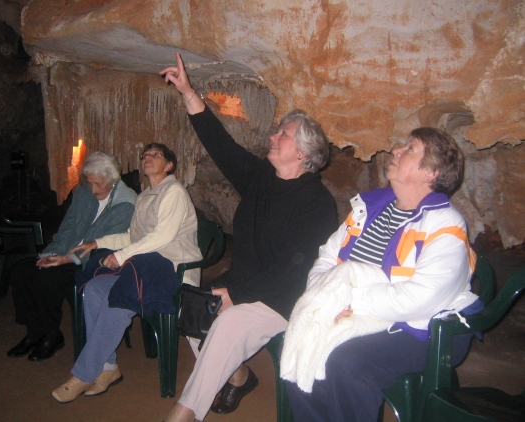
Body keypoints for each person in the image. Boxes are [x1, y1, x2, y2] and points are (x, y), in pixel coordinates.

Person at [159, 53, 338, 422]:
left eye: (283, 135)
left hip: (284, 298)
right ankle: (239, 374)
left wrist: (235, 296)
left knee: (227, 322)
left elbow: (296, 270)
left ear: (302, 153)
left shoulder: (316, 203)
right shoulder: (260, 178)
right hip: (242, 283)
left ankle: (184, 414)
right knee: (190, 308)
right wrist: (189, 93)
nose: (273, 137)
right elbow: (219, 144)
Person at [284, 127, 482, 422]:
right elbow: (327, 258)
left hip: (424, 326)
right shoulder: (368, 208)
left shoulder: (445, 225)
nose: (397, 151)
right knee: (302, 343)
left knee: (347, 364)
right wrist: (325, 298)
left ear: (431, 173)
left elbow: (421, 298)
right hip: (360, 311)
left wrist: (352, 304)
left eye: (410, 149)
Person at [51, 143, 202, 403]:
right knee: (95, 289)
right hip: (144, 267)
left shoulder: (174, 191)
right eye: (145, 155)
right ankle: (108, 368)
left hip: (173, 270)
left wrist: (121, 255)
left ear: (169, 165)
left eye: (156, 155)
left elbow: (163, 237)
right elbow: (132, 236)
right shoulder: (144, 196)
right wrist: (97, 243)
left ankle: (84, 374)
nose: (148, 158)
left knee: (119, 299)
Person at [7, 152, 137, 362]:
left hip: (94, 260)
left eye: (98, 184)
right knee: (21, 272)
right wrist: (51, 253)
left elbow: (106, 243)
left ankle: (52, 335)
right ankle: (34, 332)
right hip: (68, 254)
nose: (93, 190)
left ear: (112, 180)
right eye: (90, 183)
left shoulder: (125, 203)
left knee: (47, 279)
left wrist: (68, 259)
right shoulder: (83, 193)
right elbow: (67, 229)